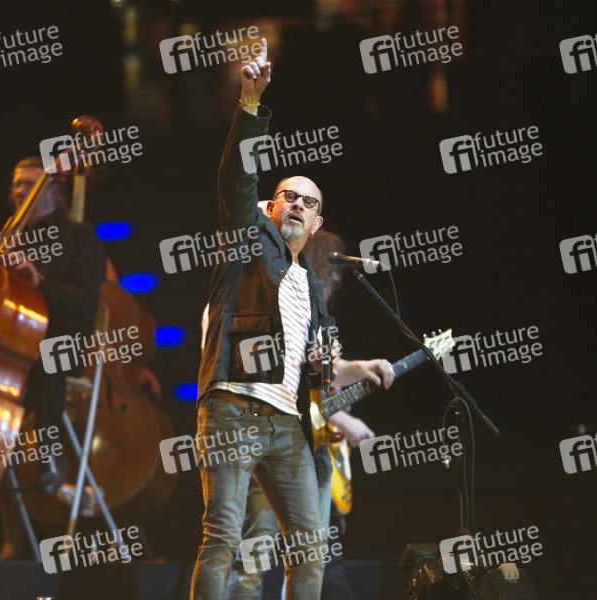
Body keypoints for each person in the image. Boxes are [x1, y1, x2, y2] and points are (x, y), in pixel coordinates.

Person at [191, 39, 393, 599]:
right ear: (270, 207)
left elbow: (317, 370)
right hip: (234, 408)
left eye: (308, 201)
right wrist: (250, 104)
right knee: (222, 537)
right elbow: (236, 179)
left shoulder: (313, 288)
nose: (298, 204)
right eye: (288, 196)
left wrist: (347, 369)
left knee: (310, 547)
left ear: (318, 220)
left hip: (288, 425)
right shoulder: (247, 242)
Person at [227, 229, 378, 600]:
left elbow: (321, 377)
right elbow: (273, 379)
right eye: (332, 266)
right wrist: (342, 418)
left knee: (310, 559)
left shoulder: (318, 314)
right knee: (252, 558)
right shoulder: (270, 301)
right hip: (268, 437)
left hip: (314, 448)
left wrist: (350, 376)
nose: (337, 277)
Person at [0, 156, 107, 558]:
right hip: (12, 347)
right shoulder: (9, 240)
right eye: (16, 185)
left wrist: (39, 282)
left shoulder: (80, 237)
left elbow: (85, 306)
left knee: (46, 359)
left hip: (60, 346)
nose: (19, 192)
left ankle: (51, 452)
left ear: (52, 193)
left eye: (29, 185)